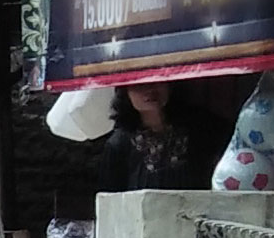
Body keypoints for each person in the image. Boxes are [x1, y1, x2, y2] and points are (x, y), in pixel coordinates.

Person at [100, 80, 234, 194]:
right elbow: (110, 198)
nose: (150, 89)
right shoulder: (118, 144)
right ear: (125, 92)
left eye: (156, 81)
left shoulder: (202, 126)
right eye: (139, 84)